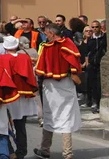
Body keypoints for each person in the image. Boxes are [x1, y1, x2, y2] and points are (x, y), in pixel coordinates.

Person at [33, 25, 82, 159]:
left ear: (52, 34)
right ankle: (67, 153)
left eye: (47, 33)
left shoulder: (47, 47)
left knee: (50, 116)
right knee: (66, 116)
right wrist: (73, 73)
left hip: (50, 85)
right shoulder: (68, 43)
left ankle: (45, 149)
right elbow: (74, 62)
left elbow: (40, 69)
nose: (46, 35)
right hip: (65, 82)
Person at [0, 36, 38, 159]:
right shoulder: (25, 58)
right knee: (20, 125)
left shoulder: (2, 58)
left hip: (10, 96)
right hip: (23, 96)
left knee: (5, 125)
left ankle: (10, 151)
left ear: (5, 47)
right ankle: (21, 151)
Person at [86, 20, 107, 114]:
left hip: (100, 64)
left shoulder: (104, 38)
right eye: (93, 27)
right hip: (92, 65)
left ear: (100, 27)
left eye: (96, 27)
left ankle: (100, 103)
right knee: (93, 85)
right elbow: (87, 52)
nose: (95, 29)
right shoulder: (90, 39)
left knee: (99, 85)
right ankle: (95, 103)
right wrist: (87, 63)